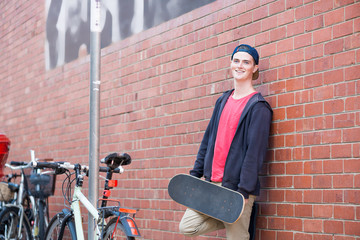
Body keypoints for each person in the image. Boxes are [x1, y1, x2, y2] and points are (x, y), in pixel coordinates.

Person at [179, 44, 273, 240]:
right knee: (187, 226)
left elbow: (254, 154)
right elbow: (208, 139)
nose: (240, 65)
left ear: (255, 68)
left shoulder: (258, 107)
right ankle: (229, 217)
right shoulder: (222, 100)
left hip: (237, 189)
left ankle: (238, 217)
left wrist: (244, 191)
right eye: (236, 60)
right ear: (231, 63)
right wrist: (195, 175)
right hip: (211, 185)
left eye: (246, 62)